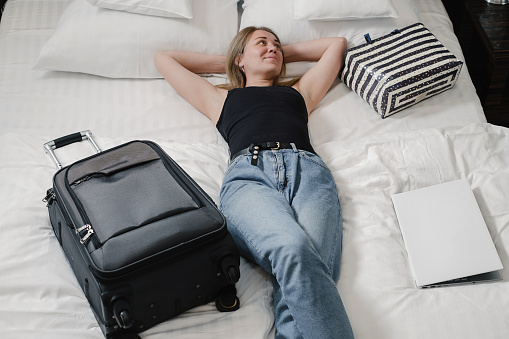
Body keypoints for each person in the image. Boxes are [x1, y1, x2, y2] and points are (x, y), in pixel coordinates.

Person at [154, 26, 354, 339]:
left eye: (277, 45)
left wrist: (275, 54)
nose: (272, 48)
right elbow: (164, 58)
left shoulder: (300, 92)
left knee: (309, 271)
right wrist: (238, 60)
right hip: (250, 177)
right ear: (238, 60)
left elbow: (336, 44)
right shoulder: (221, 98)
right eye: (262, 43)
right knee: (293, 249)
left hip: (310, 175)